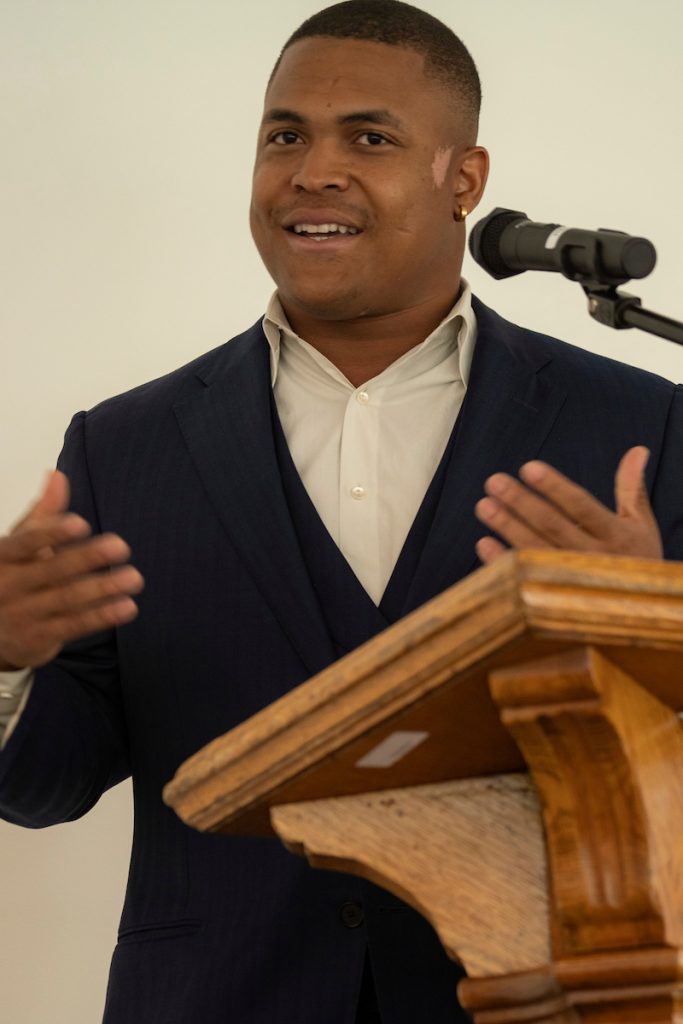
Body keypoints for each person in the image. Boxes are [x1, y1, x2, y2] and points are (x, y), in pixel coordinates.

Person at [1, 2, 681, 1022]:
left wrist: (652, 633)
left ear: (465, 180)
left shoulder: (639, 427)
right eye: (284, 136)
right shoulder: (122, 446)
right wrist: (5, 656)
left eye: (368, 137)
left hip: (538, 997)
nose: (312, 171)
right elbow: (46, 786)